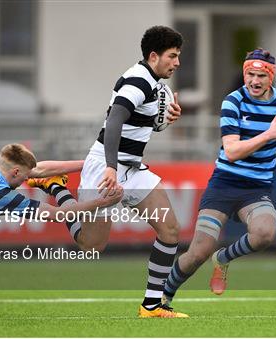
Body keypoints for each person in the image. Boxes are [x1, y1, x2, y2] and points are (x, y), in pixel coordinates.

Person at [161, 48, 276, 313]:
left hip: (256, 190)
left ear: (271, 78)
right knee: (197, 252)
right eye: (250, 74)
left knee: (264, 234)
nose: (255, 81)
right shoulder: (232, 102)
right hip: (224, 184)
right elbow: (232, 152)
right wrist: (269, 134)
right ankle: (162, 297)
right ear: (244, 74)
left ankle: (223, 259)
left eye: (261, 75)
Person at [76, 26, 187, 318]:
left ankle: (151, 305)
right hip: (106, 165)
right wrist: (111, 169)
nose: (177, 63)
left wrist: (166, 120)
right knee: (92, 246)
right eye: (172, 56)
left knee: (170, 229)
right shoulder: (138, 81)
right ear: (154, 56)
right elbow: (113, 121)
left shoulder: (155, 84)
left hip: (133, 169)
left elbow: (143, 122)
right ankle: (56, 189)